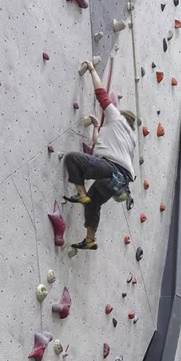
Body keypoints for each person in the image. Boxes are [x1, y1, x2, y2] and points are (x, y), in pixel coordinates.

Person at [62, 59, 137, 251]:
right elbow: (100, 148)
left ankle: (81, 193)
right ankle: (90, 240)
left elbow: (101, 95)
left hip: (111, 170)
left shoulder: (117, 119)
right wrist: (96, 127)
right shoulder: (130, 139)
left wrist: (92, 70)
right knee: (93, 203)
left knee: (72, 159)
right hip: (119, 181)